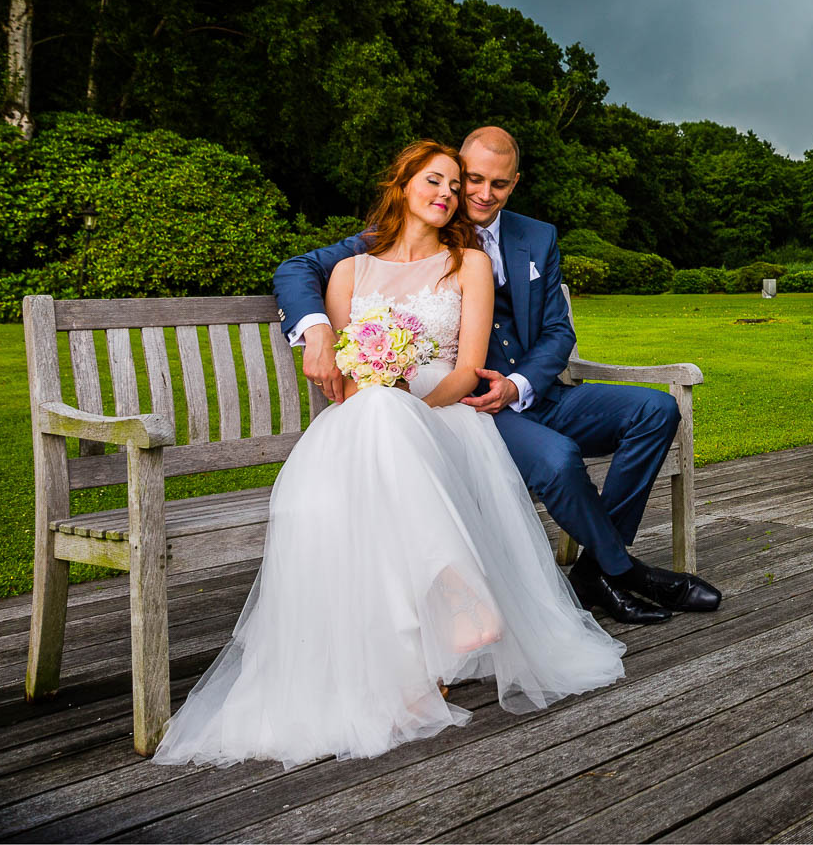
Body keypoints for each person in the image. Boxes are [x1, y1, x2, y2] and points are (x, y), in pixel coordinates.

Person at [154, 142, 626, 768]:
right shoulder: (350, 271)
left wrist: (407, 401)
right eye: (438, 181)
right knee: (372, 419)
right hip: (365, 424)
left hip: (445, 420)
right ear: (403, 184)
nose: (451, 195)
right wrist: (341, 351)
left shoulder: (469, 265)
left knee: (385, 416)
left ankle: (428, 643)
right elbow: (348, 384)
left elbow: (465, 374)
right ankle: (443, 615)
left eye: (457, 187)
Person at [275, 126, 720, 624]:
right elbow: (298, 269)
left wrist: (519, 383)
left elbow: (557, 330)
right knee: (558, 459)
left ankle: (598, 569)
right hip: (469, 405)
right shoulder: (416, 224)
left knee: (656, 409)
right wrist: (316, 332)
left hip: (535, 391)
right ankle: (626, 573)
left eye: (500, 184)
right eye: (473, 180)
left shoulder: (537, 235)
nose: (483, 194)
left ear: (515, 183)